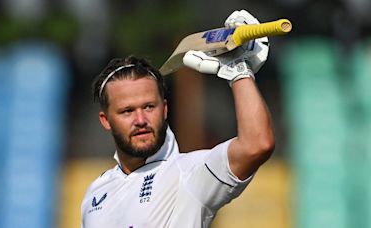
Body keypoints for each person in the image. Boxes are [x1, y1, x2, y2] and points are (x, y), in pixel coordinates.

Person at [81, 10, 275, 228]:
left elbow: (257, 145)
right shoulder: (95, 193)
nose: (141, 119)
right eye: (127, 111)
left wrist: (239, 70)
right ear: (105, 121)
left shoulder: (189, 175)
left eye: (149, 107)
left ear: (164, 110)